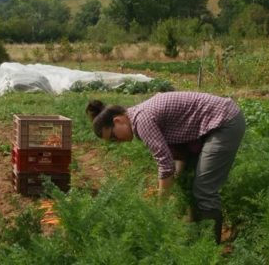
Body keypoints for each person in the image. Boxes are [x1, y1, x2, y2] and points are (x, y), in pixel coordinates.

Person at [86, 91, 245, 244]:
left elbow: (165, 164)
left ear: (117, 121)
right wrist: (177, 178)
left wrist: (160, 207)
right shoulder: (140, 117)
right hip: (216, 122)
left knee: (204, 188)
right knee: (187, 181)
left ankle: (210, 248)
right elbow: (177, 154)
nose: (117, 142)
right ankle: (196, 232)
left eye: (113, 137)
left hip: (224, 121)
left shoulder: (142, 120)